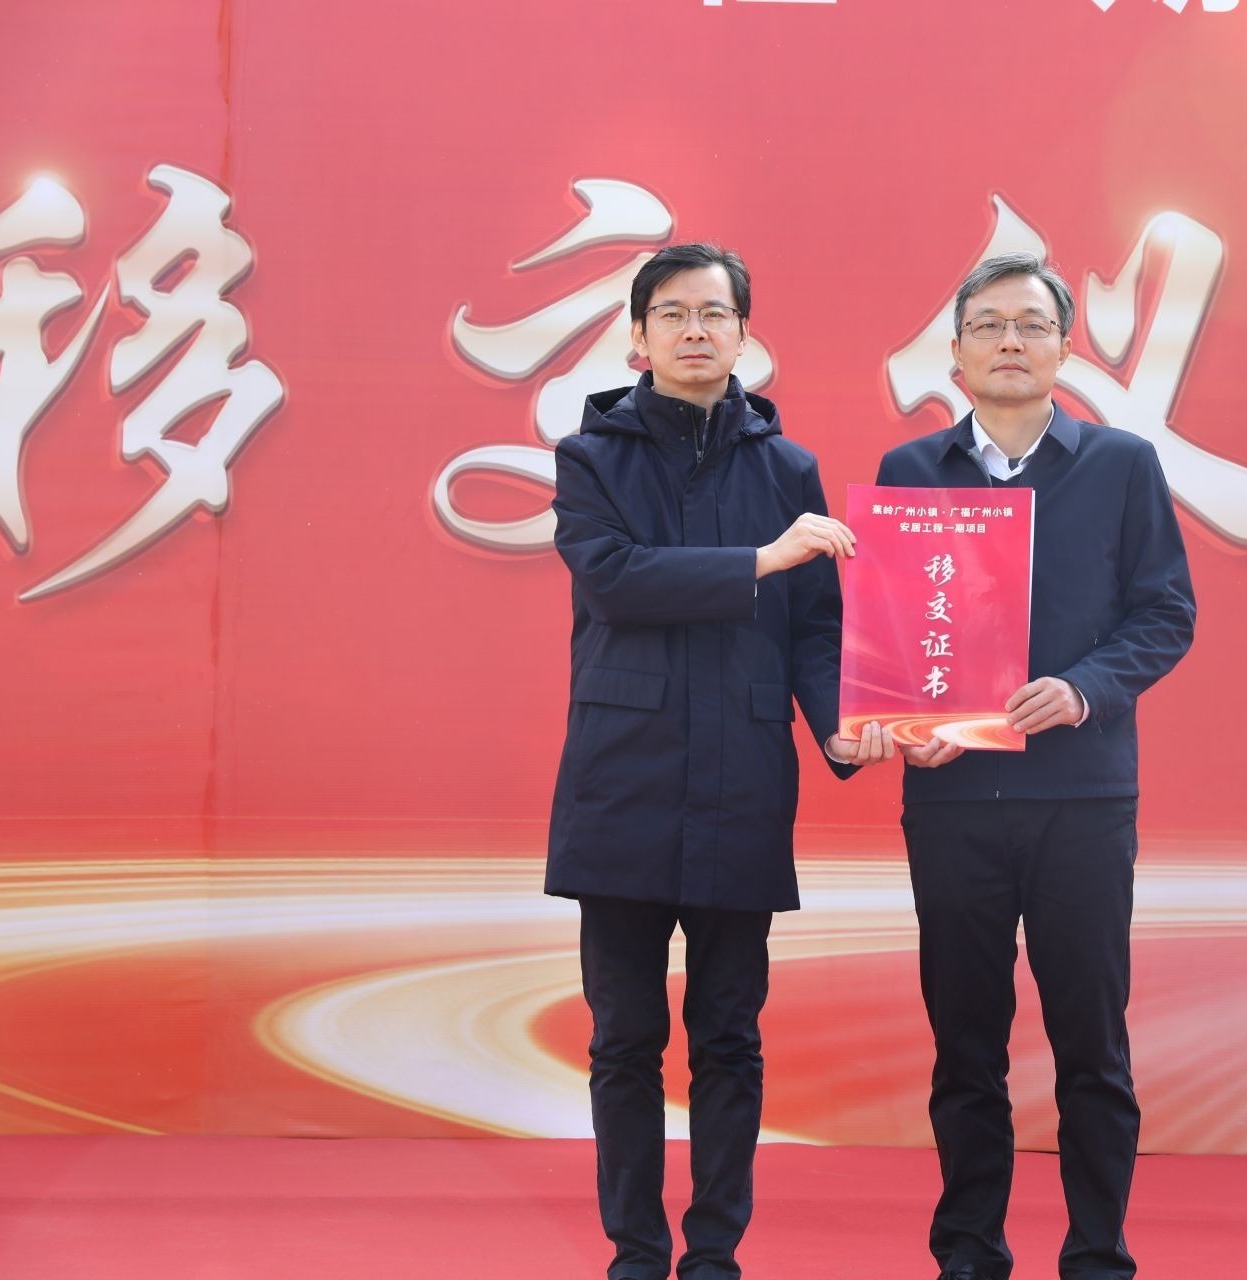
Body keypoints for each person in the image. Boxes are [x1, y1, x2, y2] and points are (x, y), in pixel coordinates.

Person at [546, 241, 893, 1280]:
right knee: (624, 1038)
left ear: (746, 335)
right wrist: (761, 557)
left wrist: (837, 724)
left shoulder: (787, 469)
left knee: (730, 1036)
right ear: (638, 335)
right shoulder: (591, 456)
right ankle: (635, 1250)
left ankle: (713, 1253)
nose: (695, 330)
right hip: (624, 779)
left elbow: (816, 626)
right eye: (673, 313)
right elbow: (615, 580)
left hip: (742, 779)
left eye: (715, 313)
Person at [874, 253, 1197, 1280]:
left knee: (1091, 1042)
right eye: (989, 325)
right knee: (965, 1042)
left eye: (1030, 324)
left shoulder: (1121, 465)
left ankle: (1098, 1251)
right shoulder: (910, 472)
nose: (1010, 341)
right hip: (953, 799)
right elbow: (892, 633)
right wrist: (903, 718)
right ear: (956, 352)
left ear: (1063, 347)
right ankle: (969, 1251)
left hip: (1082, 798)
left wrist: (1085, 687)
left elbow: (1166, 613)